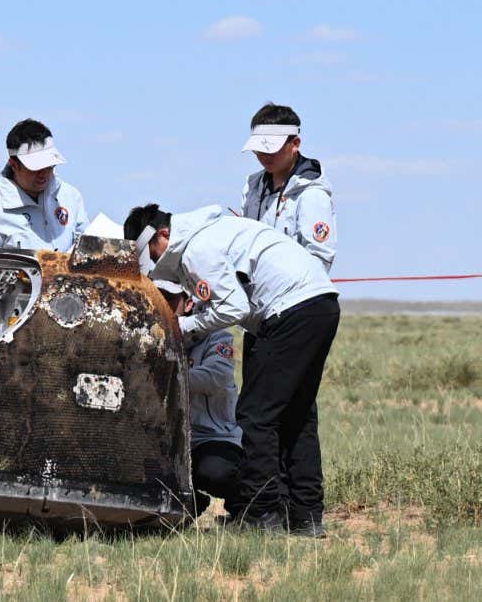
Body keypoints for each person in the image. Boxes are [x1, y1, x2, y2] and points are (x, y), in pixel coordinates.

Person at [125, 203, 338, 537]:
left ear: (163, 234)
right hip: (320, 303)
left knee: (257, 415)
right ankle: (305, 515)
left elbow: (234, 307)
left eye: (151, 253)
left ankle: (263, 515)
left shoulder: (197, 249)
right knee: (297, 415)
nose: (153, 263)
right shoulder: (213, 232)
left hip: (288, 309)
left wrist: (184, 325)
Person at [0, 119, 117, 256]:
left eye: (49, 166)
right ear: (14, 164)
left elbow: (89, 252)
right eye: (36, 168)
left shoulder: (70, 197)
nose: (44, 174)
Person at [155, 281, 243, 517]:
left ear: (189, 303)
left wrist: (166, 375)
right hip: (168, 441)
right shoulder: (151, 337)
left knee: (215, 473)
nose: (163, 303)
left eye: (170, 298)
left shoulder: (216, 337)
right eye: (158, 296)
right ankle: (189, 505)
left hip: (212, 436)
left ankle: (247, 504)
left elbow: (216, 376)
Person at [239, 103, 336, 272]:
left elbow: (319, 259)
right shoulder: (251, 188)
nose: (264, 156)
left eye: (271, 150)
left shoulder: (312, 194)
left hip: (297, 294)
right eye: (258, 150)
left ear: (295, 144)